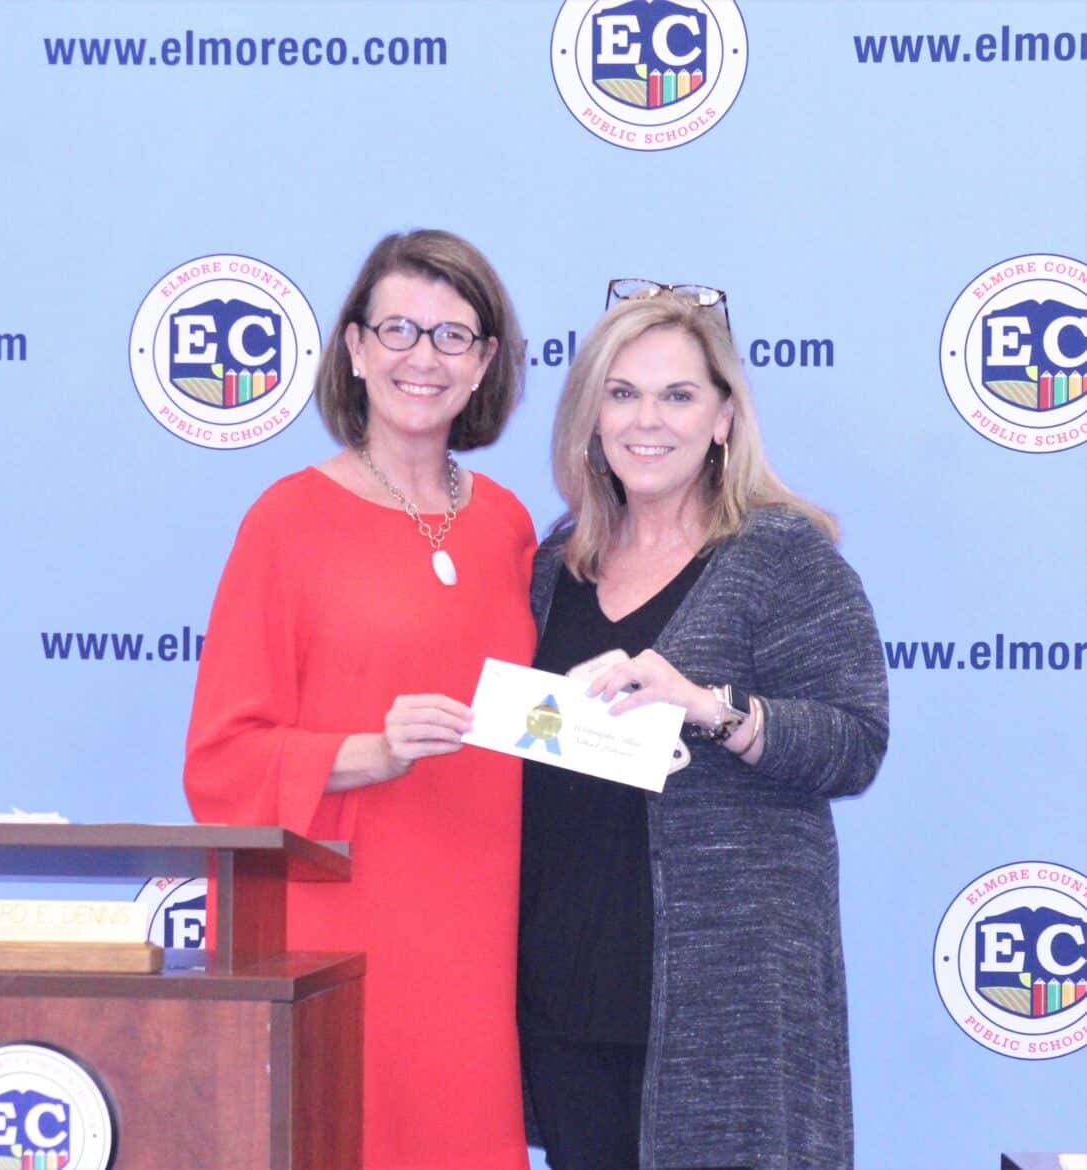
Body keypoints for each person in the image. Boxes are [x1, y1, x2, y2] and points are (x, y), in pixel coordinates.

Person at [184, 230, 536, 1170]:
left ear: (485, 363)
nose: (424, 357)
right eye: (398, 330)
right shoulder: (286, 521)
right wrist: (368, 753)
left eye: (453, 336)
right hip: (336, 927)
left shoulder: (509, 525)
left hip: (476, 925)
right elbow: (219, 761)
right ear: (353, 348)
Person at [518, 281, 889, 1170]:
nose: (648, 420)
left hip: (725, 999)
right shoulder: (554, 564)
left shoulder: (781, 554)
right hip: (566, 983)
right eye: (623, 393)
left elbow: (855, 742)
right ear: (592, 416)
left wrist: (711, 709)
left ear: (724, 418)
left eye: (678, 395)